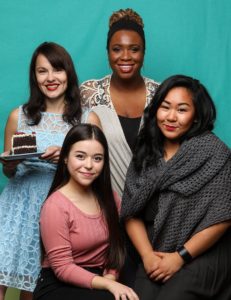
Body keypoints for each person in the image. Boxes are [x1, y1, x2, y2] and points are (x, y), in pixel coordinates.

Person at [0, 42, 100, 300]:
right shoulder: (18, 116)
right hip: (17, 207)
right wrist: (9, 165)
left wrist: (66, 159)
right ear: (34, 77)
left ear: (69, 72)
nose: (50, 78)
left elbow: (96, 168)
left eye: (57, 69)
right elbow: (11, 172)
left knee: (36, 288)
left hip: (59, 208)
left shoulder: (88, 119)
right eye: (42, 71)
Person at [120, 74, 231, 300]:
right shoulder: (146, 150)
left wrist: (180, 257)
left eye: (182, 110)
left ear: (196, 115)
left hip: (202, 253)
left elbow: (223, 217)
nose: (171, 117)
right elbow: (131, 211)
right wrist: (148, 256)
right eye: (165, 107)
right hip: (156, 248)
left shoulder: (215, 153)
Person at [32, 124, 139, 300]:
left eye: (97, 158)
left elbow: (118, 244)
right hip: (59, 284)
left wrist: (112, 275)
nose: (89, 165)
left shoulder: (110, 198)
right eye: (80, 156)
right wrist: (108, 284)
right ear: (65, 157)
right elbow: (63, 268)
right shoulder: (55, 206)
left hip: (101, 276)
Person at [80, 8, 159, 198]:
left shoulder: (162, 94)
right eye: (117, 49)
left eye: (134, 49)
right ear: (107, 52)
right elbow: (77, 148)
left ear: (144, 52)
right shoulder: (89, 92)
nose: (125, 56)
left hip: (155, 205)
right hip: (104, 203)